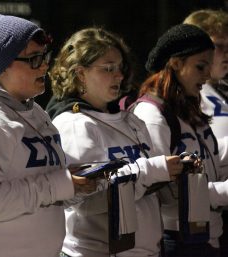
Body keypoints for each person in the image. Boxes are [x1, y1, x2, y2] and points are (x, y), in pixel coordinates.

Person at [0, 14, 92, 257]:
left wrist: (76, 185)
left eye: (44, 56)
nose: (44, 65)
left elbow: (45, 186)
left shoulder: (34, 111)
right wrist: (58, 185)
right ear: (1, 65)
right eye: (34, 59)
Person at [46, 27, 183, 257]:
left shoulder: (131, 119)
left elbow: (147, 188)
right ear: (80, 74)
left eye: (120, 67)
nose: (118, 75)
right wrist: (150, 171)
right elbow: (86, 201)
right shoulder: (73, 124)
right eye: (108, 68)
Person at [132, 23, 228, 257]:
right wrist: (223, 192)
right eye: (200, 66)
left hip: (210, 234)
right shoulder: (152, 114)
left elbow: (211, 163)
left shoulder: (191, 107)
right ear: (175, 64)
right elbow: (164, 192)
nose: (207, 75)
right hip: (178, 239)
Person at [183, 9, 228, 256]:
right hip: (204, 210)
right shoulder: (187, 97)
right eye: (219, 45)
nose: (226, 53)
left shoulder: (220, 91)